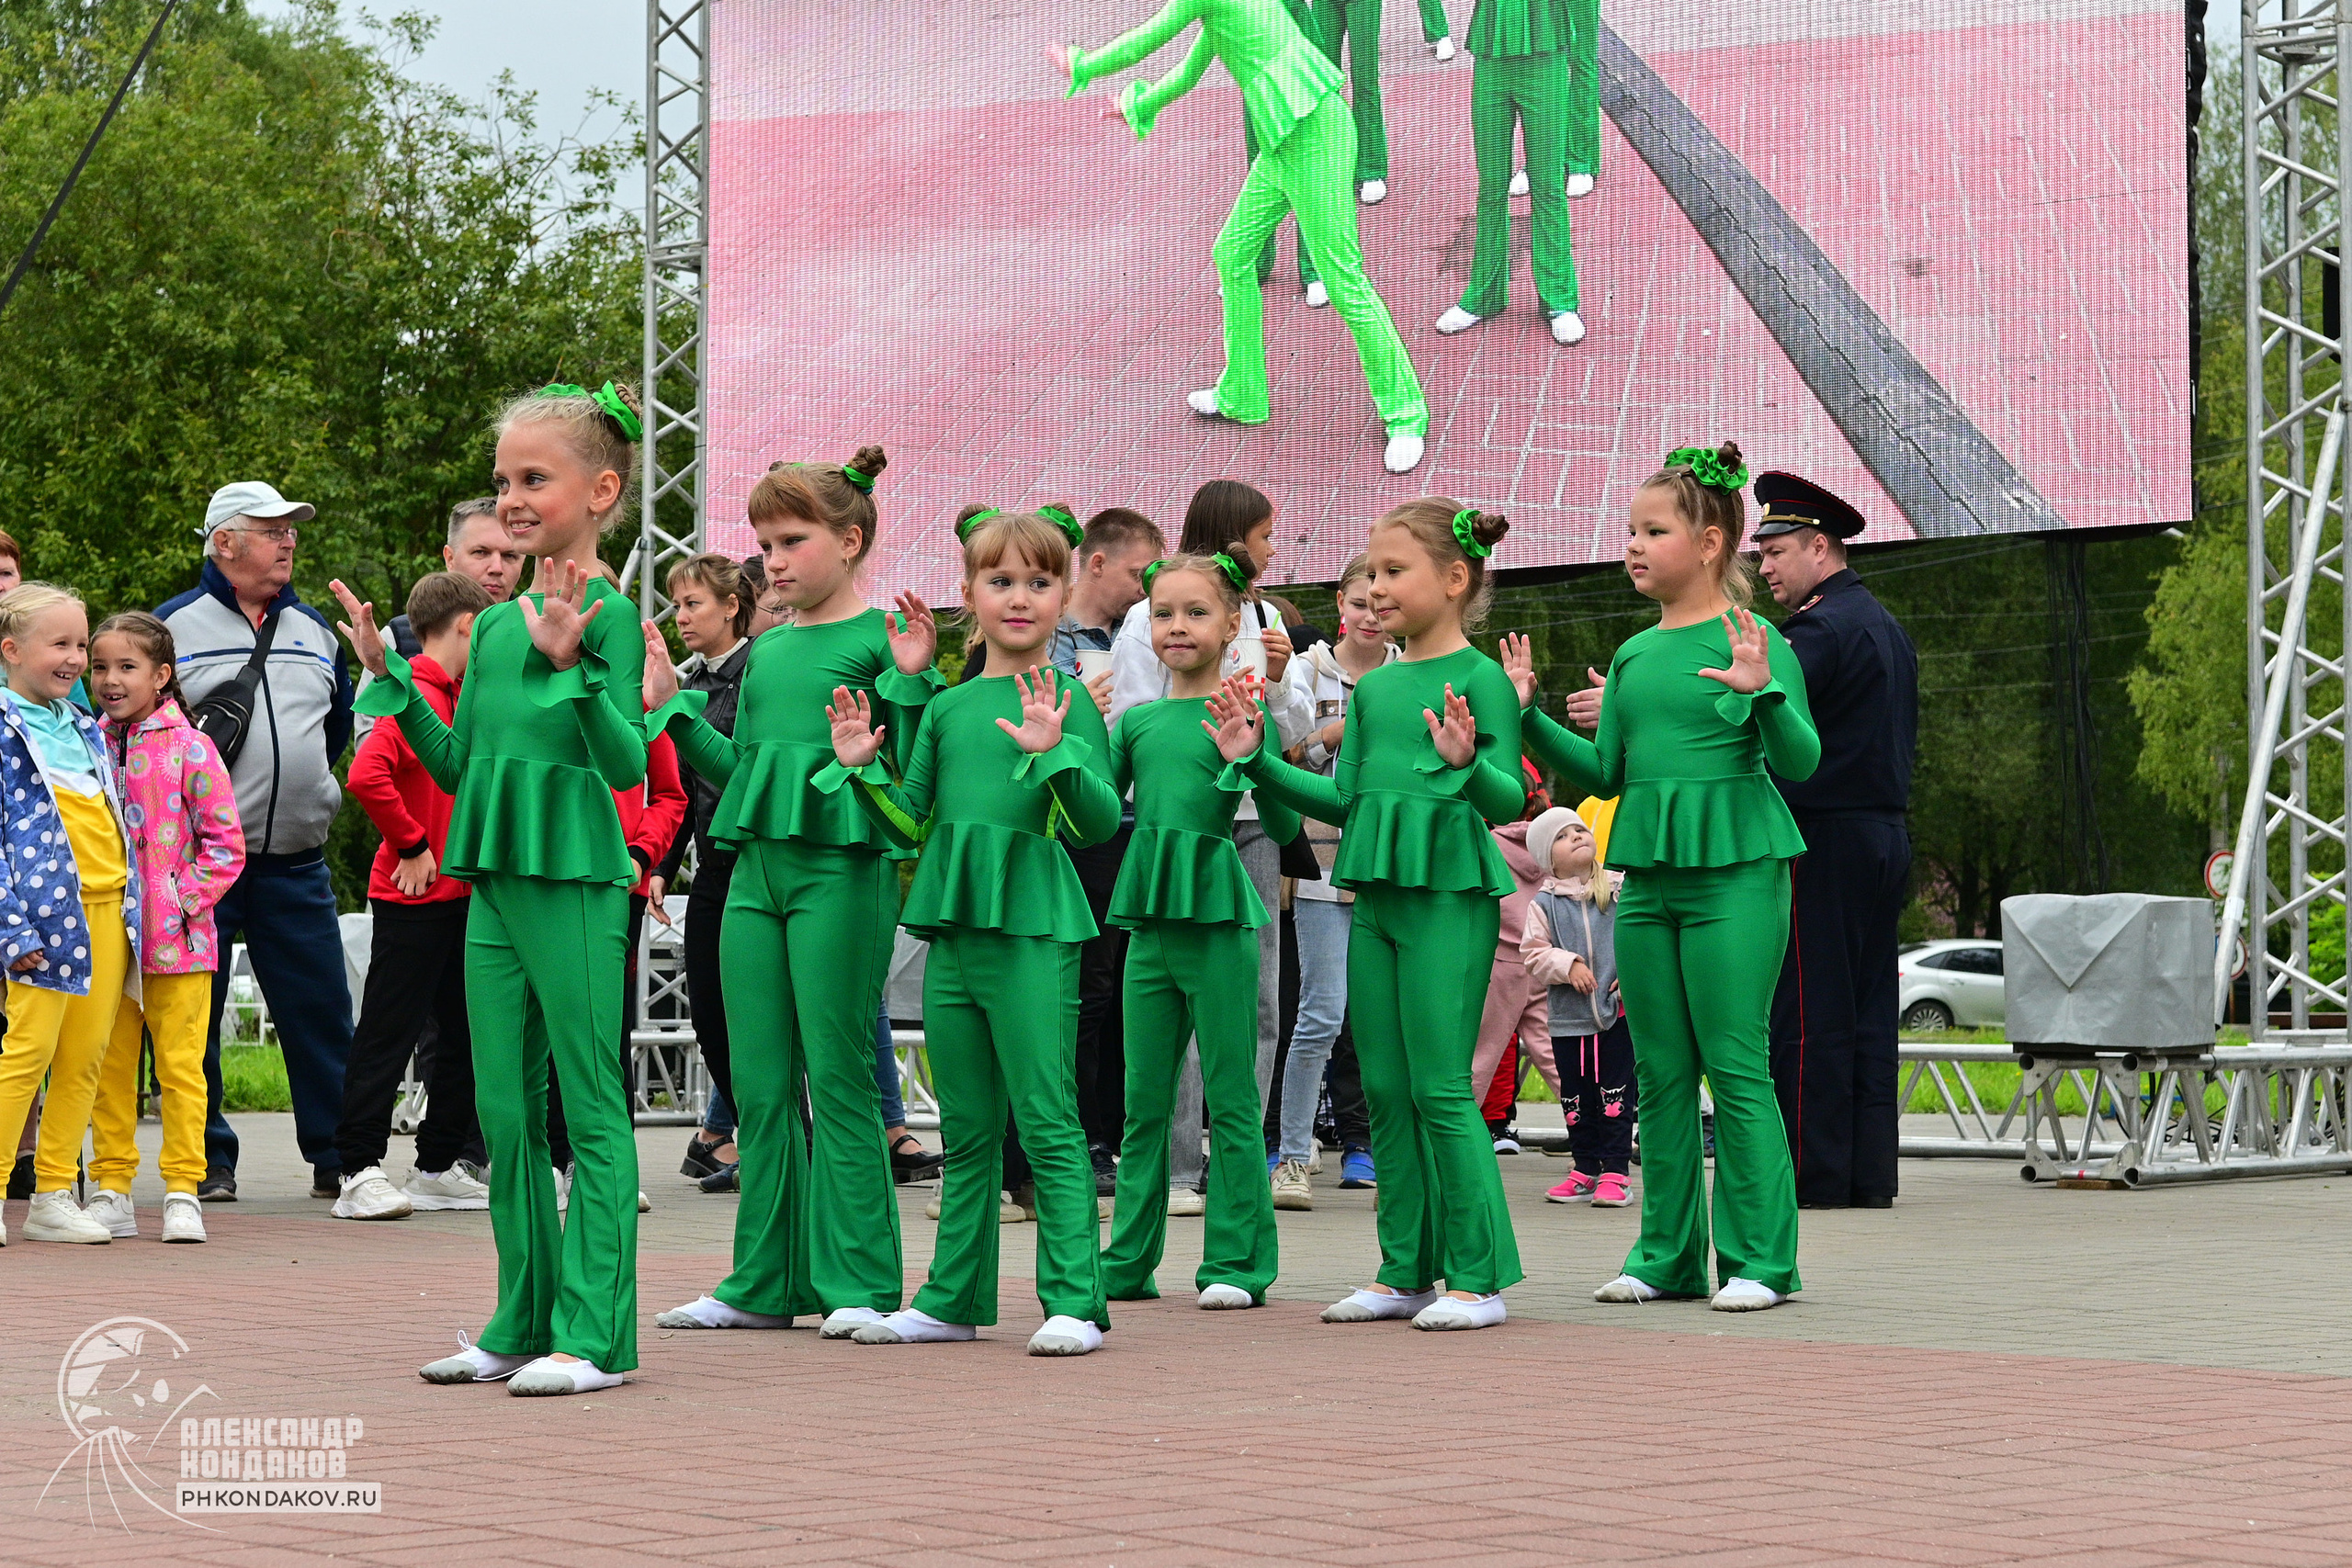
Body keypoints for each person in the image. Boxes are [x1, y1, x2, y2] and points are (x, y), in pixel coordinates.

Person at [334, 378, 650, 1396]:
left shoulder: (605, 615)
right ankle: (522, 1316)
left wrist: (577, 668)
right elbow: (465, 764)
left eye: (533, 478)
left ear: (600, 491)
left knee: (590, 1109)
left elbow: (625, 763)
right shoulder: (498, 624)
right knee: (506, 1110)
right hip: (496, 883)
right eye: (502, 479)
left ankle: (594, 1334)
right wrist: (387, 677)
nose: (510, 498)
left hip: (576, 881)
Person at [1505, 440, 1819, 1313]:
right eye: (1630, 530)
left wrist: (1764, 691)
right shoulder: (1638, 655)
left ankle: (1763, 1261)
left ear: (1712, 541)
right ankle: (1668, 1255)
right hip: (1646, 884)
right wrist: (1526, 712)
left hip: (1738, 874)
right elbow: (1605, 770)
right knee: (1661, 1073)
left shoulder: (1754, 638)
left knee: (1736, 1065)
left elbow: (1802, 759)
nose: (1633, 545)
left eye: (1654, 529)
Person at [1207, 496, 1526, 1332]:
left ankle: (1477, 1275)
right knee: (1384, 1084)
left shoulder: (1482, 678)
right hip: (1374, 895)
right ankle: (1403, 1270)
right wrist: (1259, 763)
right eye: (1371, 572)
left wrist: (1464, 764)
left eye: (1394, 571)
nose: (1376, 587)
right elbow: (1345, 799)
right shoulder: (1377, 689)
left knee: (1438, 1086)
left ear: (1454, 579)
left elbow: (1505, 794)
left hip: (1448, 897)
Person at [645, 446, 944, 1339]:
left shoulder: (879, 640)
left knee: (842, 1074)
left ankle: (858, 1279)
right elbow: (740, 772)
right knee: (759, 1084)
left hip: (839, 876)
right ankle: (762, 1281)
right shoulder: (769, 652)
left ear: (849, 540)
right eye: (764, 542)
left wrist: (917, 681)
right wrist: (672, 708)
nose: (770, 560)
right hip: (751, 878)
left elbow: (914, 780)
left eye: (790, 539)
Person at [822, 504, 1118, 1356]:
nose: (1019, 597)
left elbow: (1098, 823)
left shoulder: (1072, 700)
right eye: (1000, 581)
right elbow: (911, 820)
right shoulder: (949, 710)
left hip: (1034, 923)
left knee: (1047, 1113)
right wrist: (860, 767)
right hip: (954, 925)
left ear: (1064, 593)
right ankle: (953, 1298)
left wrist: (1057, 750)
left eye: (1038, 580)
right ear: (969, 595)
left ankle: (1074, 1297)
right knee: (968, 1123)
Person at [1058, 1, 1433, 475]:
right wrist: (1139, 104)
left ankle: (1405, 415)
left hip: (1314, 134)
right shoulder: (1217, 12)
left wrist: (1084, 64)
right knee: (1232, 252)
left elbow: (1149, 36)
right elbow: (1189, 70)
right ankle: (1242, 392)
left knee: (1343, 280)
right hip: (1283, 143)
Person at [1110, 480, 1309, 1215]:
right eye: (1163, 613)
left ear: (1235, 627)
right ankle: (1129, 1256)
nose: (1175, 626)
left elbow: (1285, 826)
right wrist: (1060, 744)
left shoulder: (1248, 711)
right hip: (1150, 909)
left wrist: (1256, 756)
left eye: (1196, 613)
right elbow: (1099, 812)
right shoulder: (1136, 725)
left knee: (1231, 1082)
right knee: (1144, 1095)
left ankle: (1240, 1255)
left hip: (1220, 898)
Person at [160, 479, 355, 1203]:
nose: (288, 539)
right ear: (223, 542)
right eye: (271, 528)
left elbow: (332, 734)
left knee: (322, 1012)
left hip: (296, 862)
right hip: (202, 865)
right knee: (192, 1018)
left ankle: (339, 1154)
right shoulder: (169, 629)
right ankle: (208, 1158)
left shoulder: (317, 633)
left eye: (291, 528)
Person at [1751, 471, 1917, 1211]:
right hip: (1883, 834)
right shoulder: (1885, 623)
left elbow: (1757, 711)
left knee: (1811, 1012)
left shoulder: (1815, 631)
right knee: (1870, 1007)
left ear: (1821, 547)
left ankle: (1813, 1177)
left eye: (1776, 551)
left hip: (1823, 832)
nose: (1764, 568)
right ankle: (1866, 1173)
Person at [330, 573, 493, 1223]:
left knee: (465, 1034)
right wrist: (411, 843)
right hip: (413, 895)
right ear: (463, 626)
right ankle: (356, 1168)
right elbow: (365, 774)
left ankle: (435, 1165)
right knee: (389, 1033)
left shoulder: (461, 698)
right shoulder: (413, 694)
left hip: (460, 895)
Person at [81, 613, 244, 1245]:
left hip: (180, 942)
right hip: (106, 943)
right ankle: (113, 1188)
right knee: (108, 1069)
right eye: (101, 667)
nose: (111, 679)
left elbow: (226, 844)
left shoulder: (191, 746)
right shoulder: (87, 745)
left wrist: (180, 899)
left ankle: (183, 1189)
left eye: (127, 667)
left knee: (181, 1070)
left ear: (162, 674)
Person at [0, 584, 141, 1247]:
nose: (76, 658)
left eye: (81, 644)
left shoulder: (84, 725)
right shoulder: (3, 726)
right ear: (11, 650)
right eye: (59, 643)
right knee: (25, 1054)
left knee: (85, 1056)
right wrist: (10, 929)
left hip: (109, 908)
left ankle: (54, 1191)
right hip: (42, 919)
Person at [1269, 552, 1395, 1209]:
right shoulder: (1305, 667)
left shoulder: (1410, 670)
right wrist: (1336, 731)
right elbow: (1284, 751)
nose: (1371, 614)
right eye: (1360, 601)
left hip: (1388, 860)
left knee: (1380, 1018)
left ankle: (1379, 1149)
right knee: (1320, 1011)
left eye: (1383, 601)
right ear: (1340, 602)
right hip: (1320, 860)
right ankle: (1292, 1155)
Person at [647, 552, 757, 1187]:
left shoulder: (758, 675)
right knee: (710, 1017)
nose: (682, 616)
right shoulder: (687, 681)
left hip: (756, 864)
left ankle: (776, 1144)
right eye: (677, 604)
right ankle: (747, 1138)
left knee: (754, 1016)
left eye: (694, 604)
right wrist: (664, 862)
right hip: (710, 870)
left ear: (731, 606)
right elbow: (685, 786)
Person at [1438, 0, 1588, 346]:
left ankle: (1560, 301)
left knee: (1547, 187)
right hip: (1491, 55)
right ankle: (1484, 294)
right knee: (1491, 186)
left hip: (1545, 53)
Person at [1520, 810, 1634, 1205]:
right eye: (1563, 837)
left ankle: (1616, 1172)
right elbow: (1533, 954)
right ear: (1548, 860)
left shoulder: (1621, 890)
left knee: (1615, 1094)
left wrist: (1634, 972)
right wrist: (1569, 965)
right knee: (1575, 1098)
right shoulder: (1544, 904)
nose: (1577, 837)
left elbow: (1643, 934)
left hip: (1615, 1015)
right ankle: (1585, 1167)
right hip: (1568, 1020)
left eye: (1580, 830)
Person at [1472, 795, 1566, 1151]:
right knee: (1557, 1057)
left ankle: (1451, 1144)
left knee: (1481, 1056)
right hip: (1546, 961)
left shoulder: (1487, 842)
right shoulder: (1550, 846)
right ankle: (1596, 1138)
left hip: (1501, 962)